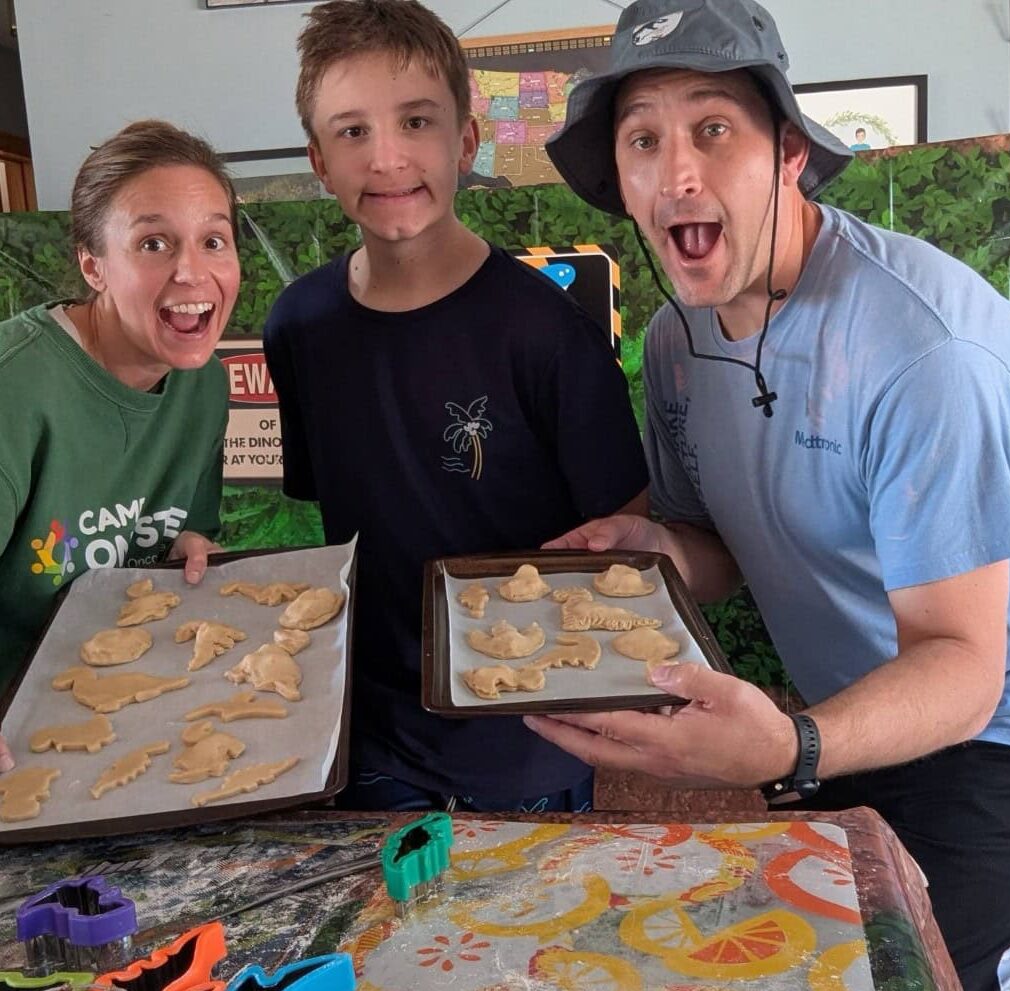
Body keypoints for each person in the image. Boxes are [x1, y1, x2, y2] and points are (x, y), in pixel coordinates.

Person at [537, 0, 1010, 991]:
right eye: (642, 139)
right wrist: (655, 551)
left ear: (789, 153)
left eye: (712, 129)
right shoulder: (676, 341)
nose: (676, 172)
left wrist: (789, 744)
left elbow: (963, 668)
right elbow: (716, 543)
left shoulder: (925, 346)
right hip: (852, 710)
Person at [263, 0, 647, 814]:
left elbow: (625, 542)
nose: (388, 157)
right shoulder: (298, 324)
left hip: (526, 746)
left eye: (416, 121)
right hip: (363, 741)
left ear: (466, 142)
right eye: (353, 131)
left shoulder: (546, 331)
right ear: (319, 161)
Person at [0, 120, 240, 772]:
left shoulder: (203, 387)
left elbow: (180, 529)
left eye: (214, 241)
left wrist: (186, 547)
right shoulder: (16, 389)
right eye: (154, 243)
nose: (192, 271)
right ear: (93, 266)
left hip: (132, 717)